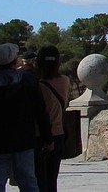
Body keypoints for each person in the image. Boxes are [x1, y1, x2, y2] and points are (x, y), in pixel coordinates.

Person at [0, 42, 50, 192]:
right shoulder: (30, 82)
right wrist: (47, 138)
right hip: (23, 140)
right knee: (28, 183)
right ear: (15, 61)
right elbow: (41, 112)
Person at [35, 45, 71, 192]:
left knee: (39, 179)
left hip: (39, 134)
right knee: (52, 178)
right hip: (58, 133)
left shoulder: (37, 85)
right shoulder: (64, 81)